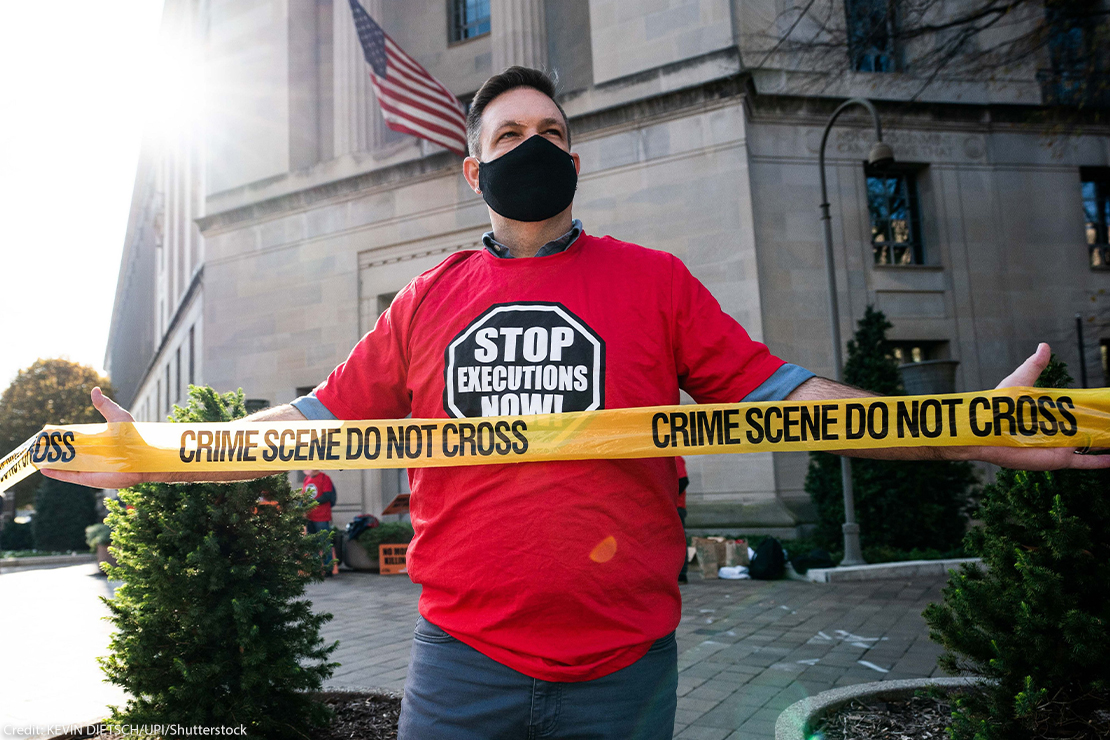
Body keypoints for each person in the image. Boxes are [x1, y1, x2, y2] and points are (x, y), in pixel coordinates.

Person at [46, 67, 1109, 740]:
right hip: (462, 662)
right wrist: (164, 451)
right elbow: (313, 419)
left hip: (626, 669)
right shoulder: (425, 301)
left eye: (550, 129)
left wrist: (953, 429)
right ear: (473, 171)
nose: (533, 146)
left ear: (578, 154)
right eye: (508, 136)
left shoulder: (655, 281)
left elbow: (800, 402)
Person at [302, 469, 339, 577]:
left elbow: (327, 495)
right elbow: (303, 496)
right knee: (313, 544)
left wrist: (312, 502)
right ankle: (315, 568)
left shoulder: (325, 478)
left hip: (322, 516)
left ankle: (328, 568)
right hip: (310, 516)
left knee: (324, 543)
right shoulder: (306, 479)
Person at [676, 457, 689, 584]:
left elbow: (683, 480)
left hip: (677, 506)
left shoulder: (675, 457)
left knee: (679, 539)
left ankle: (682, 573)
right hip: (671, 505)